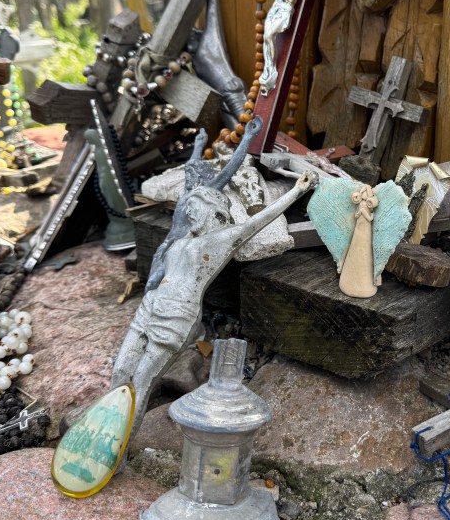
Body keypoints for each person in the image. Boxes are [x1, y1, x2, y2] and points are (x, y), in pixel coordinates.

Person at [111, 169, 317, 440]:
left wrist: (297, 190)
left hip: (175, 317)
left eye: (196, 209)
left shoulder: (220, 240)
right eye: (189, 209)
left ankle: (117, 451)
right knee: (120, 371)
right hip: (149, 308)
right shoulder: (182, 241)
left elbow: (257, 222)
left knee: (140, 382)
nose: (190, 215)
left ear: (212, 210)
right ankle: (103, 430)